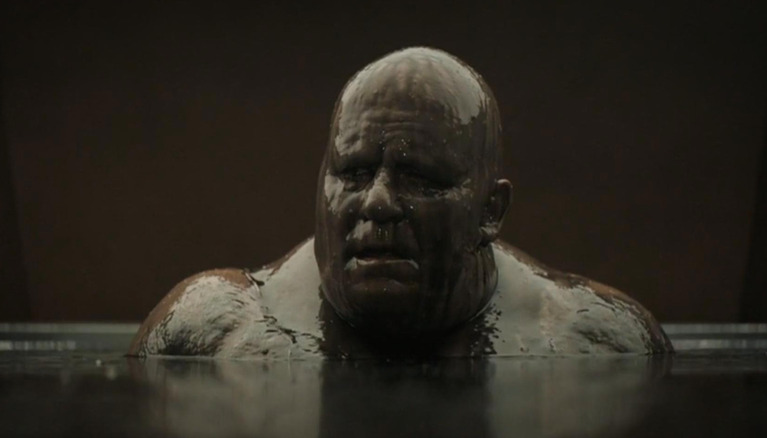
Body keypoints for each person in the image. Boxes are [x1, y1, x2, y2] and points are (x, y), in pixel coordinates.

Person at [129, 47, 672, 358]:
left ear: (491, 212)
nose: (378, 203)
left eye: (418, 177)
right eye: (354, 173)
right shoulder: (209, 331)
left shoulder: (596, 340)